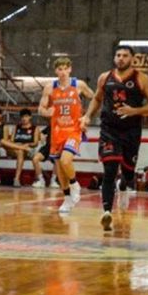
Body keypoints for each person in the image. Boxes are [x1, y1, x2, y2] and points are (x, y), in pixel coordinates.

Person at [83, 46, 148, 231]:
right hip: (109, 130)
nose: (121, 58)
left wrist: (135, 111)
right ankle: (107, 211)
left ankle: (123, 184)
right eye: (118, 55)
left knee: (128, 173)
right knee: (109, 170)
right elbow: (97, 99)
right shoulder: (104, 77)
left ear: (132, 58)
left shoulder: (141, 78)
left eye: (125, 55)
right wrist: (87, 116)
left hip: (131, 131)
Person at [39, 57, 94, 214]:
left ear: (70, 69)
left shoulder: (79, 85)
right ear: (56, 71)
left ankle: (75, 184)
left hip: (73, 130)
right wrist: (45, 111)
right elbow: (41, 108)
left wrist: (87, 116)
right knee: (60, 167)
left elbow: (95, 98)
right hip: (56, 132)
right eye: (59, 69)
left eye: (65, 68)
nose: (62, 72)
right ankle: (68, 198)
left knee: (65, 160)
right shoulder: (49, 88)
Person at [6, 109, 40, 187]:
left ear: (30, 117)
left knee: (20, 152)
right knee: (2, 141)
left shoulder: (35, 128)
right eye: (22, 117)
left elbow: (35, 143)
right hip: (14, 149)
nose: (24, 119)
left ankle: (16, 179)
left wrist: (27, 145)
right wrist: (19, 146)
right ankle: (22, 148)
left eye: (26, 116)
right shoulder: (16, 127)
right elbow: (11, 141)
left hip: (26, 150)